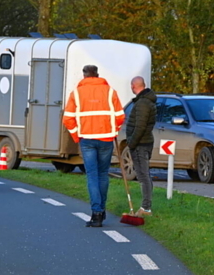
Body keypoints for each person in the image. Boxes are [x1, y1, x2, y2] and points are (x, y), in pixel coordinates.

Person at [63, 65, 124, 227]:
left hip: (87, 139)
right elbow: (120, 116)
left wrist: (77, 135)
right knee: (103, 174)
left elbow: (67, 119)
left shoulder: (76, 93)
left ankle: (96, 213)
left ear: (84, 76)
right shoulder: (110, 91)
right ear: (97, 75)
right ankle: (101, 211)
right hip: (106, 138)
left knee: (92, 175)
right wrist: (114, 131)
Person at [124, 76, 156, 215]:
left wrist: (131, 143)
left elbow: (140, 126)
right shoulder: (145, 101)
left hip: (141, 144)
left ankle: (146, 208)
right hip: (143, 142)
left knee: (143, 176)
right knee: (143, 175)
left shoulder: (143, 103)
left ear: (133, 86)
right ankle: (145, 207)